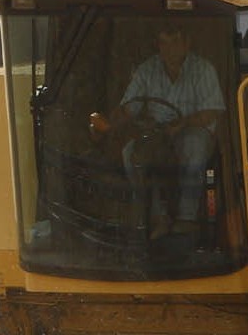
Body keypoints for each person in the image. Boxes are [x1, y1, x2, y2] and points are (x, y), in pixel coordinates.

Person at [89, 25, 224, 237]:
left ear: (187, 44)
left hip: (194, 130)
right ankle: (156, 216)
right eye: (164, 43)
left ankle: (186, 219)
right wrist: (108, 124)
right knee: (130, 152)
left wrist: (183, 124)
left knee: (193, 146)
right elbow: (129, 108)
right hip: (158, 132)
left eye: (175, 42)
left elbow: (212, 112)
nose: (169, 49)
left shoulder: (203, 69)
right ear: (158, 45)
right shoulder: (147, 70)